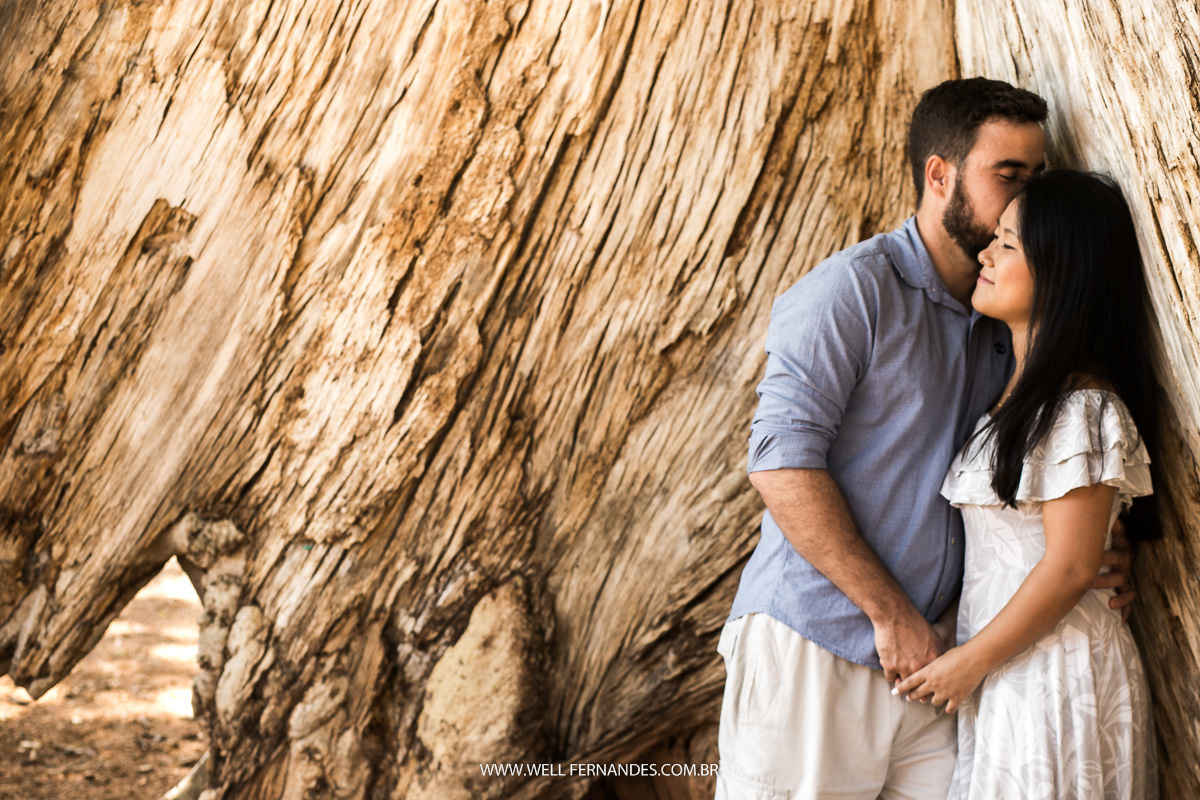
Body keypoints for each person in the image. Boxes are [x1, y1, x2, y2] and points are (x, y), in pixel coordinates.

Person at [715, 78, 1134, 800]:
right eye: (1009, 176)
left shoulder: (1008, 328)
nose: (1023, 200)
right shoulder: (851, 293)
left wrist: (1101, 543)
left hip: (946, 668)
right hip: (822, 646)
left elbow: (1042, 476)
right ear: (939, 176)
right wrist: (889, 614)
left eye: (1037, 177)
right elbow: (779, 463)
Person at [894, 170, 1160, 799]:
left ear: (1061, 273)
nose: (985, 252)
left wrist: (969, 662)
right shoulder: (1010, 403)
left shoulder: (1082, 407)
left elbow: (1070, 568)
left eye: (1008, 244)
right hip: (1005, 673)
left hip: (1057, 677)